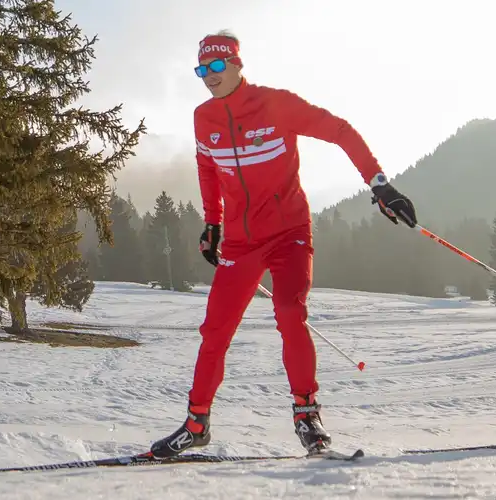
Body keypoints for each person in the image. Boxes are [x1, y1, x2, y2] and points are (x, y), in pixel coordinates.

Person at [149, 30, 418, 458]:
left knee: (291, 312)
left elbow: (340, 131)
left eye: (217, 66)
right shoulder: (204, 118)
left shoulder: (276, 104)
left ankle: (306, 415)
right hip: (240, 241)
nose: (209, 76)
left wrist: (380, 185)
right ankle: (196, 423)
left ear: (237, 63)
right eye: (202, 70)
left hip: (288, 231)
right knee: (215, 329)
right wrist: (213, 224)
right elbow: (206, 168)